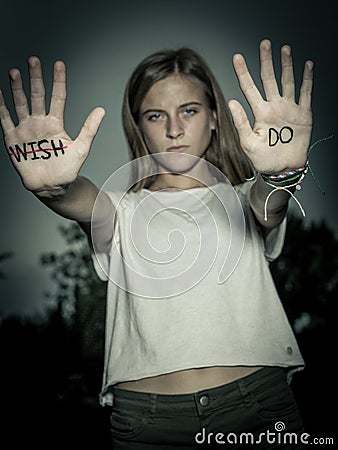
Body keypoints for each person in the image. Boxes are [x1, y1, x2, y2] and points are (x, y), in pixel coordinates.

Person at [0, 39, 314, 449]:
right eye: (155, 115)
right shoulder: (122, 209)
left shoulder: (243, 199)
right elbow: (84, 202)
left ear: (214, 118)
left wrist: (281, 175)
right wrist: (56, 189)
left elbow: (268, 206)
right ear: (139, 126)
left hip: (257, 408)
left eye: (189, 110)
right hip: (147, 423)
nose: (174, 129)